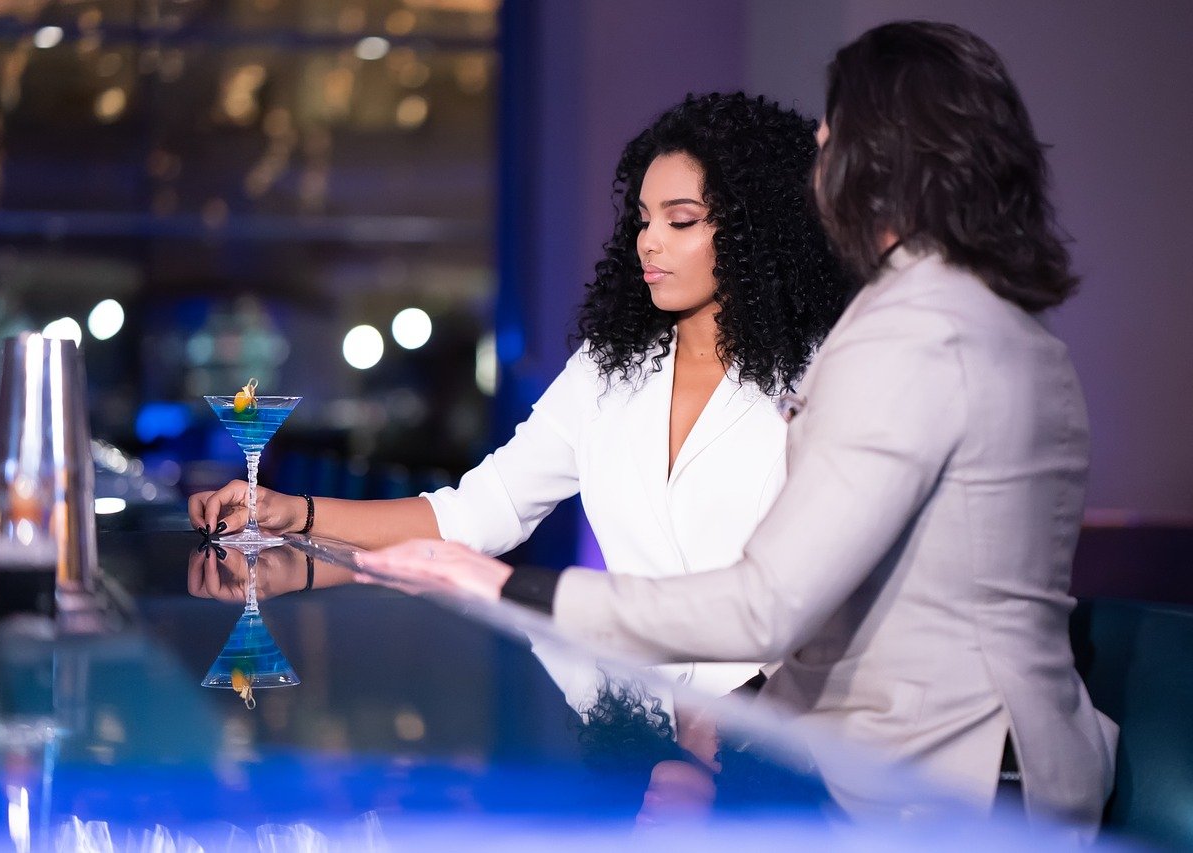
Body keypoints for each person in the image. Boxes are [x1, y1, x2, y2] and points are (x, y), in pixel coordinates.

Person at [358, 21, 1119, 837]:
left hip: (938, 789)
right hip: (1016, 768)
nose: (818, 164)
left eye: (831, 139)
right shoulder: (1013, 327)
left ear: (878, 160)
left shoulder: (906, 333)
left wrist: (510, 587)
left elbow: (768, 608)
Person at [191, 92, 850, 706]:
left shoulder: (831, 372)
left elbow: (831, 591)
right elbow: (476, 514)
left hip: (784, 730)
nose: (648, 240)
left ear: (757, 229)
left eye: (681, 221)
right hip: (625, 726)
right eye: (644, 219)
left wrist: (733, 713)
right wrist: (288, 511)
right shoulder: (608, 371)